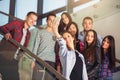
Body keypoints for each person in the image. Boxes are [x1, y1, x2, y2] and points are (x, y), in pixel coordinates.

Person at [0, 11, 38, 80]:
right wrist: (7, 33)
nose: (33, 22)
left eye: (35, 20)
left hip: (14, 59)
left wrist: (21, 55)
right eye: (31, 19)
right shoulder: (17, 23)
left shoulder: (28, 34)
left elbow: (24, 47)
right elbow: (2, 28)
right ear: (26, 17)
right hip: (5, 55)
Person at [31, 13, 56, 80]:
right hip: (40, 60)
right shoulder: (40, 32)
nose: (51, 22)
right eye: (50, 20)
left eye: (53, 20)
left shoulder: (56, 34)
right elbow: (35, 46)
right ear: (46, 20)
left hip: (52, 61)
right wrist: (33, 60)